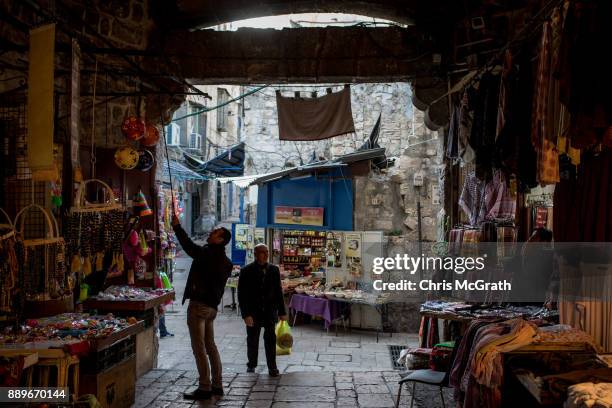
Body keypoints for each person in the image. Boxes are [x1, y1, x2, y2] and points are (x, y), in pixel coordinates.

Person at [172, 215, 233, 400]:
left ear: (221, 240)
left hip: (199, 307)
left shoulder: (208, 254)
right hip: (212, 309)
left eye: (215, 233)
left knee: (199, 348)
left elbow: (189, 247)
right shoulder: (225, 261)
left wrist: (177, 227)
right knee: (210, 346)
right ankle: (217, 384)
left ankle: (205, 386)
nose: (211, 232)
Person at [238, 244, 288, 376]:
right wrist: (245, 314)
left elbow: (278, 291)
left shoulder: (274, 270)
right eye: (262, 252)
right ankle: (252, 364)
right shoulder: (246, 271)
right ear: (255, 254)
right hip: (253, 312)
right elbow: (242, 295)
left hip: (270, 312)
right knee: (252, 339)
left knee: (270, 340)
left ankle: (272, 366)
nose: (265, 255)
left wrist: (282, 312)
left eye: (266, 252)